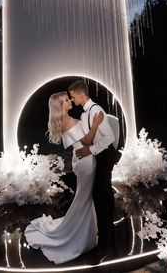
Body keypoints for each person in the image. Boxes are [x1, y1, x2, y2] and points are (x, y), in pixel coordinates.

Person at [24, 91, 104, 264]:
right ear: (59, 106)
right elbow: (87, 142)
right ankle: (77, 238)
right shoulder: (67, 120)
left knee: (84, 198)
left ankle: (85, 234)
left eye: (68, 98)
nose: (69, 100)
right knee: (84, 199)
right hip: (86, 162)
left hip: (81, 160)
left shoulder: (66, 119)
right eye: (65, 100)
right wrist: (96, 124)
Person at [68, 80, 117, 264]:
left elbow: (109, 137)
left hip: (106, 156)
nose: (72, 99)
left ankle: (105, 246)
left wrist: (91, 150)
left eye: (72, 96)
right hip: (101, 155)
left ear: (81, 94)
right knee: (105, 191)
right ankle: (109, 232)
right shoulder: (85, 113)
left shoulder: (96, 111)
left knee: (98, 194)